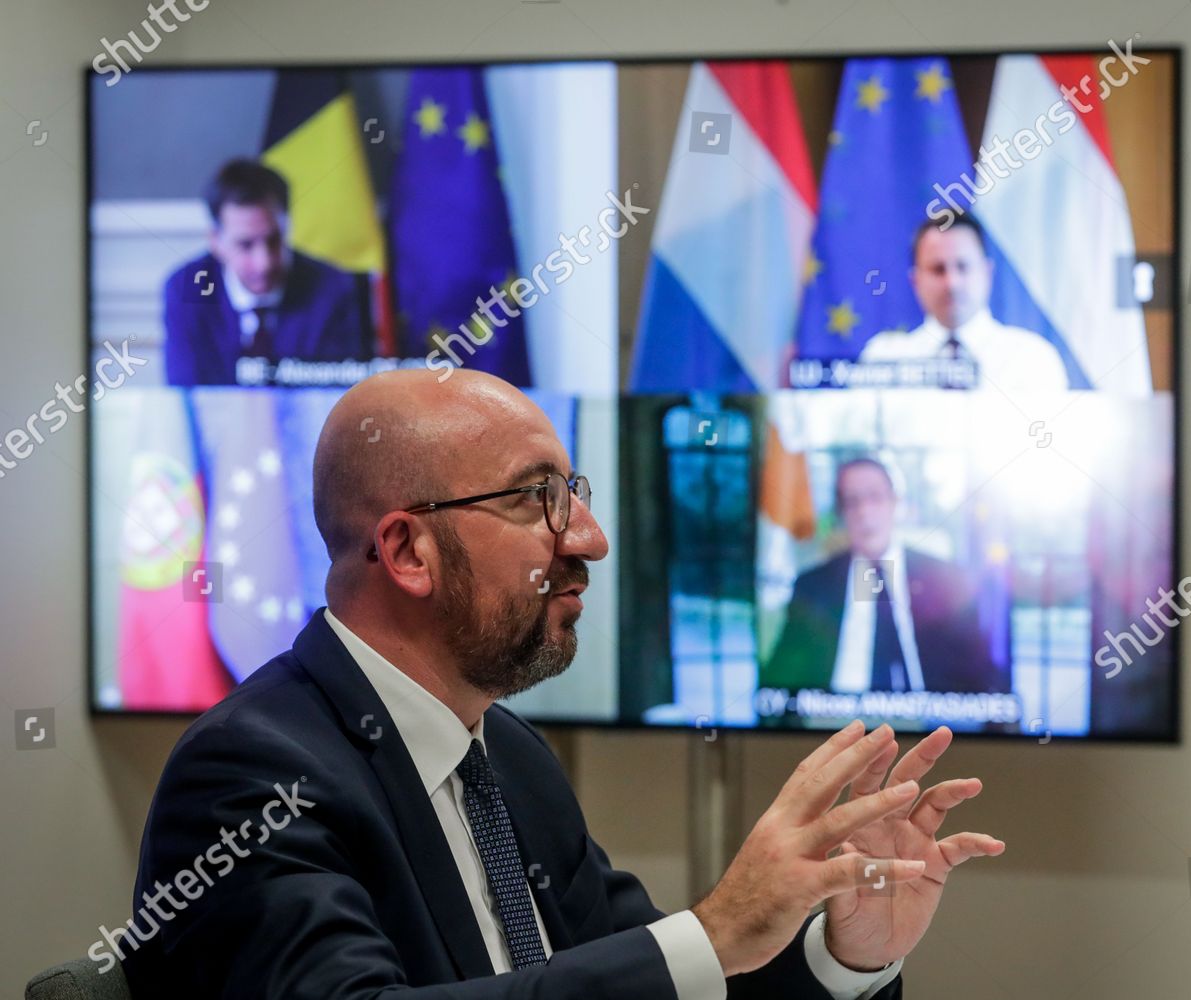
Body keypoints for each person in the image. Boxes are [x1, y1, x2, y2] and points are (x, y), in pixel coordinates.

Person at [120, 369, 1004, 998]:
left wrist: (848, 953)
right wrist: (719, 927)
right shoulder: (246, 777)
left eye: (571, 492)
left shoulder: (505, 754)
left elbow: (683, 980)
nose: (588, 538)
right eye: (535, 497)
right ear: (406, 552)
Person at [762, 457, 1001, 696]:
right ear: (842, 513)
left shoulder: (946, 582)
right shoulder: (812, 586)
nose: (864, 512)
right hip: (836, 720)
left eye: (875, 497)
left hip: (930, 722)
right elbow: (779, 681)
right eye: (852, 501)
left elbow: (982, 676)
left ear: (896, 503)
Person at [162, 159, 368, 385]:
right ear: (215, 241)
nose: (264, 263)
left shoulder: (333, 287)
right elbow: (186, 391)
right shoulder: (186, 288)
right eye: (245, 245)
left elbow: (337, 390)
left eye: (274, 240)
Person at [858, 214, 1069, 393]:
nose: (952, 283)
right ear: (916, 281)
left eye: (963, 266)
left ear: (987, 273)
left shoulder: (1032, 359)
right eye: (938, 269)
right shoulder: (884, 358)